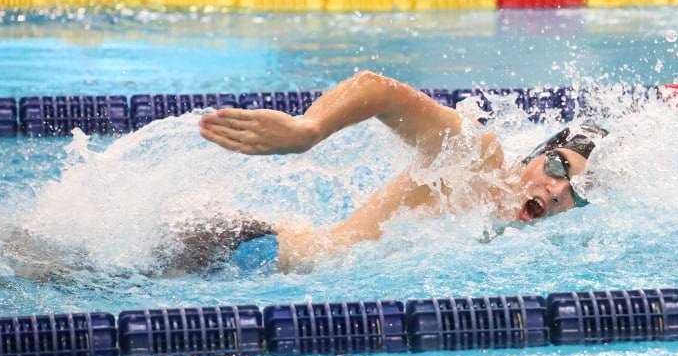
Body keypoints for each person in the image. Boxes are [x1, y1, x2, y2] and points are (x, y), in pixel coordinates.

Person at [176, 71, 608, 273]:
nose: (555, 192)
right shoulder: (477, 161)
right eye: (558, 166)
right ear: (537, 154)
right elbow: (379, 91)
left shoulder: (514, 237)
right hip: (241, 249)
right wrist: (308, 130)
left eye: (576, 193)